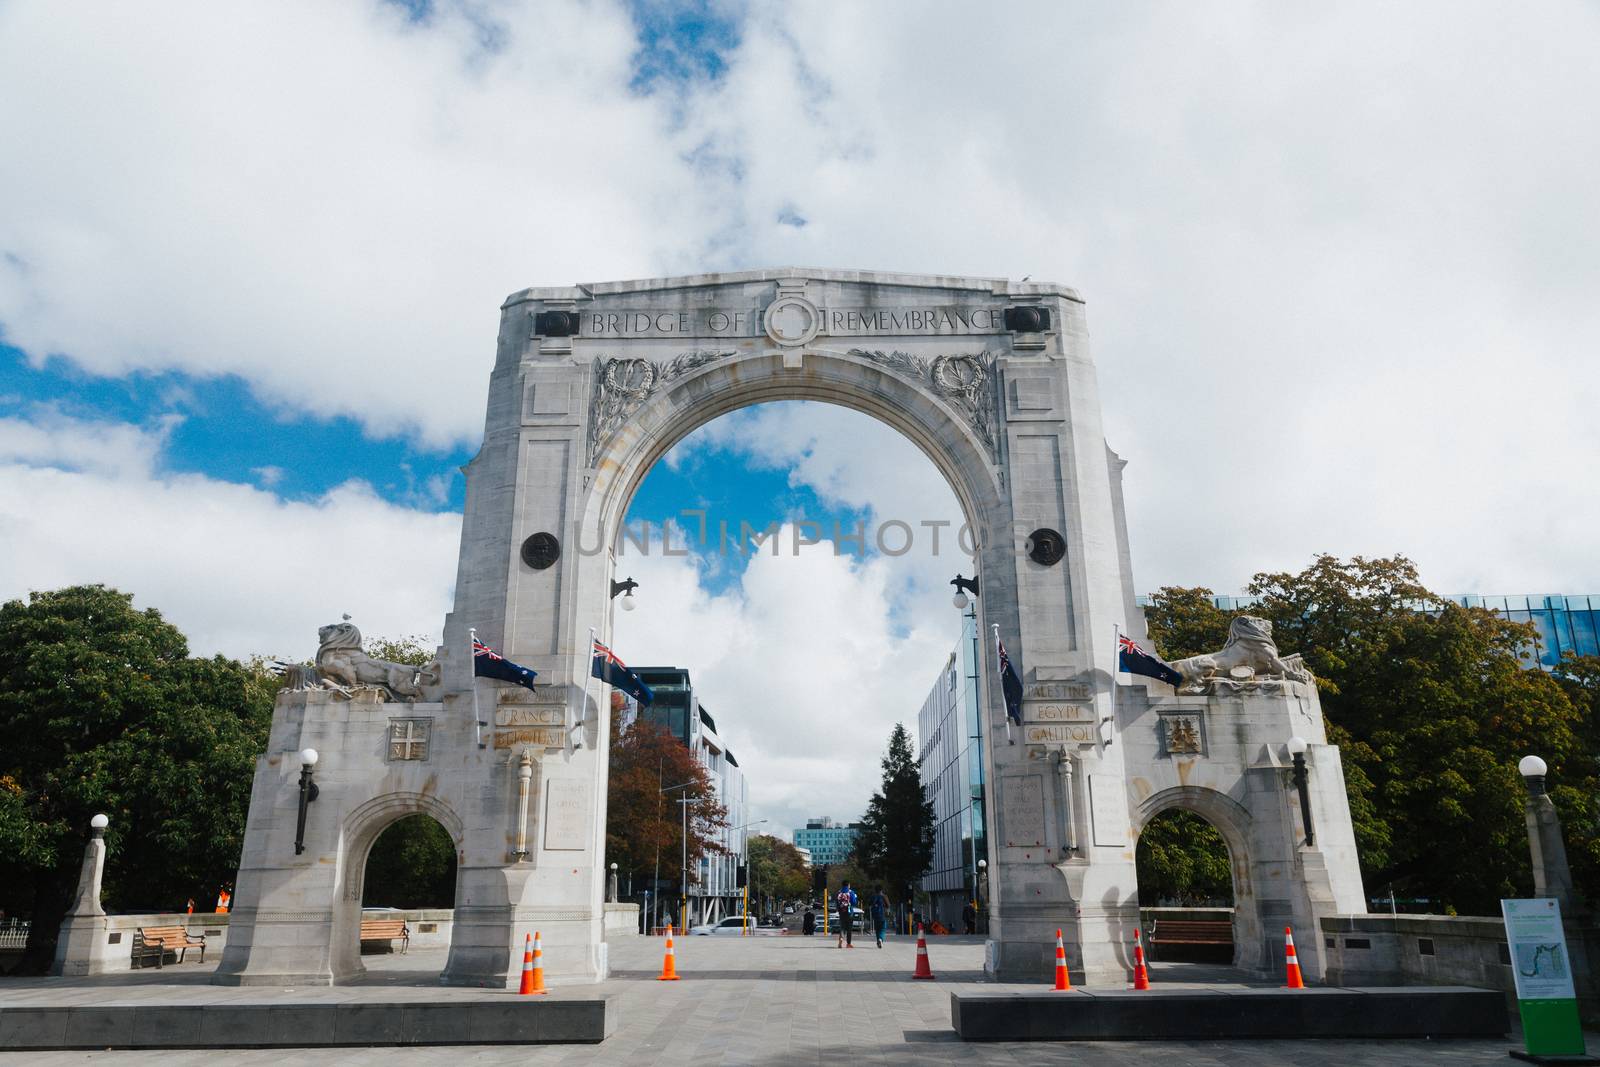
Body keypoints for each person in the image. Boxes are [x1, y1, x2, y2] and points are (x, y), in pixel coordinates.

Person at [835, 881, 858, 948]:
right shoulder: (851, 892)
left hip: (841, 912)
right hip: (849, 912)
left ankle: (841, 938)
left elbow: (836, 902)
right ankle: (848, 944)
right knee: (849, 929)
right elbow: (854, 902)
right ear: (848, 885)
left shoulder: (838, 892)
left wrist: (839, 909)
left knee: (842, 927)